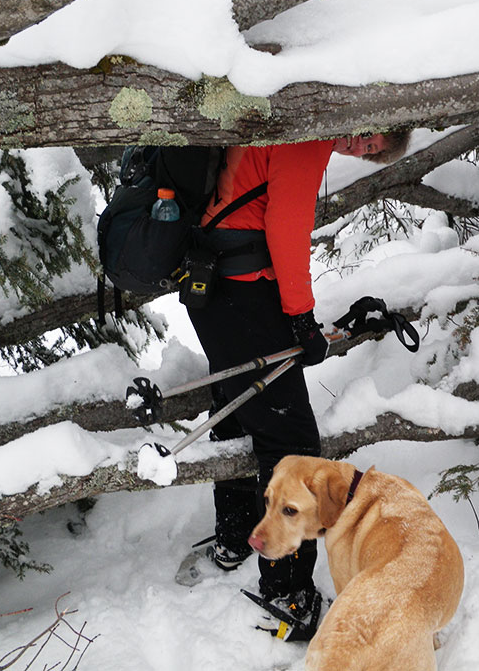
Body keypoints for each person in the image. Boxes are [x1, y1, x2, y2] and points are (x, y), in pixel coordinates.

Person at [174, 130, 411, 640]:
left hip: (213, 285)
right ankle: (285, 591)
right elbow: (285, 227)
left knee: (238, 411)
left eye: (369, 152)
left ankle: (236, 537)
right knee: (291, 445)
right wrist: (301, 320)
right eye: (369, 140)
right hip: (242, 287)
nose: (359, 149)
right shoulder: (307, 136)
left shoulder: (287, 127)